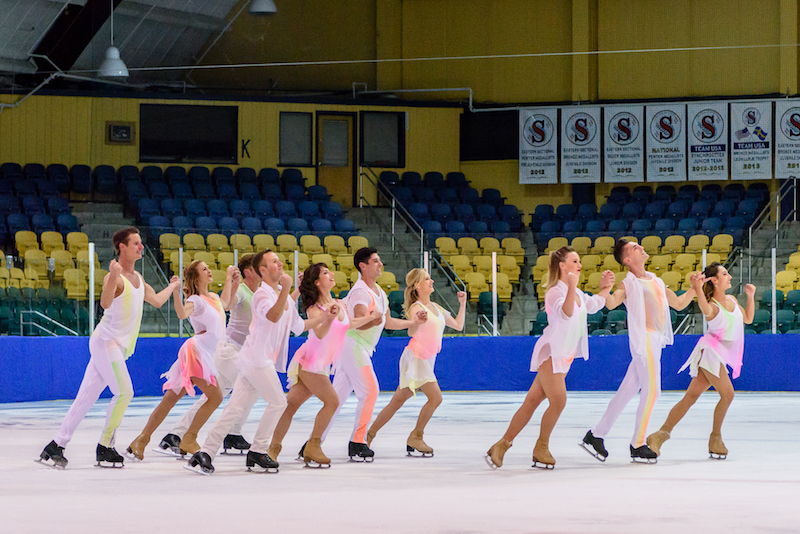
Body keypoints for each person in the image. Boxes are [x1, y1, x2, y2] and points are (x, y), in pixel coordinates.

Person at [38, 227, 180, 469]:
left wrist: (174, 286)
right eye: (135, 243)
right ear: (122, 247)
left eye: (140, 243)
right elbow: (104, 303)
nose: (141, 247)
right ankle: (105, 446)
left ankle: (55, 445)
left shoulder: (139, 279)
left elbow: (156, 301)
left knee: (85, 399)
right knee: (125, 392)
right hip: (106, 343)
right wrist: (113, 276)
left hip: (114, 346)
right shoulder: (113, 276)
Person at [186, 251, 332, 474]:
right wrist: (286, 290)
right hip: (256, 360)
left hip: (256, 360)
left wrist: (325, 317)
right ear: (263, 270)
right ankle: (258, 451)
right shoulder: (261, 295)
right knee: (278, 402)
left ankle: (205, 452)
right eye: (274, 261)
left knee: (235, 409)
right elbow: (273, 315)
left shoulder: (279, 296)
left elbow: (299, 327)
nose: (280, 263)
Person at [486, 246, 613, 469]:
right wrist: (572, 286)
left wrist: (605, 289)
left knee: (532, 402)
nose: (579, 265)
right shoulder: (555, 290)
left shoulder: (577, 293)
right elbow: (566, 313)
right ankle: (541, 447)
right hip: (552, 353)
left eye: (579, 261)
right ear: (562, 266)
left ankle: (502, 445)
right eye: (575, 261)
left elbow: (593, 305)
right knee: (559, 401)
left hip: (564, 355)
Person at [299, 248, 427, 462]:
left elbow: (388, 322)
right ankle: (358, 442)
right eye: (375, 261)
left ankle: (313, 442)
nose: (380, 264)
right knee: (370, 391)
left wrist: (413, 323)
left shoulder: (380, 292)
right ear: (363, 266)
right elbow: (357, 319)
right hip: (353, 346)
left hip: (359, 347)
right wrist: (369, 319)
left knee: (336, 399)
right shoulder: (360, 292)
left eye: (380, 260)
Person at [581, 238, 696, 463]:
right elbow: (612, 303)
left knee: (627, 391)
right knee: (653, 391)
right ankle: (638, 443)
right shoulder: (629, 283)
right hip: (644, 341)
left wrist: (695, 288)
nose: (641, 247)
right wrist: (605, 288)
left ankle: (596, 435)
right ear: (628, 259)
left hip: (654, 342)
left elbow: (680, 304)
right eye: (635, 247)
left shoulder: (656, 280)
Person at [125, 260, 239, 461]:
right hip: (197, 352)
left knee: (170, 399)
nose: (209, 270)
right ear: (196, 277)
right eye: (205, 269)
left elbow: (227, 304)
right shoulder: (195, 300)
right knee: (216, 397)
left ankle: (142, 439)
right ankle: (189, 437)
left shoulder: (212, 297)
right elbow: (181, 314)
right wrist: (177, 294)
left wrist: (231, 279)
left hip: (203, 353)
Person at [268, 262, 379, 468]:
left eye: (330, 271)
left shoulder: (338, 303)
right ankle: (313, 445)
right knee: (332, 402)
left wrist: (369, 319)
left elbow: (347, 324)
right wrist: (328, 317)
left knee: (290, 405)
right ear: (318, 282)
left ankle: (272, 448)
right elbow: (319, 333)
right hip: (311, 362)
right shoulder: (314, 308)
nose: (331, 274)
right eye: (325, 273)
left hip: (321, 364)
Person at [155, 254, 260, 457]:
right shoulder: (243, 292)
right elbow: (227, 304)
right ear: (249, 271)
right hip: (228, 350)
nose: (263, 271)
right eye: (259, 268)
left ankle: (176, 434)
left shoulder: (258, 292)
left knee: (214, 395)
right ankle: (232, 433)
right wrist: (232, 281)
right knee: (249, 386)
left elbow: (222, 303)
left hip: (233, 351)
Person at [646, 264, 755, 459]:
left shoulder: (731, 299)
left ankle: (660, 435)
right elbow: (704, 307)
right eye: (724, 274)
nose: (729, 276)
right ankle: (715, 438)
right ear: (714, 280)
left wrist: (750, 297)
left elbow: (747, 318)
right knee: (728, 394)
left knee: (690, 397)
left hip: (718, 354)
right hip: (711, 353)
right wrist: (697, 288)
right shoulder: (712, 306)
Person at [366, 268, 466, 457]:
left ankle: (369, 435)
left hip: (428, 359)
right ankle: (416, 436)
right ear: (417, 286)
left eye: (430, 278)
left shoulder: (437, 307)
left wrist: (462, 304)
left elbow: (458, 326)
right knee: (436, 398)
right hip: (417, 357)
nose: (431, 281)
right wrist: (417, 323)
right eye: (427, 279)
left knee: (397, 401)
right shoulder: (417, 308)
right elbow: (411, 332)